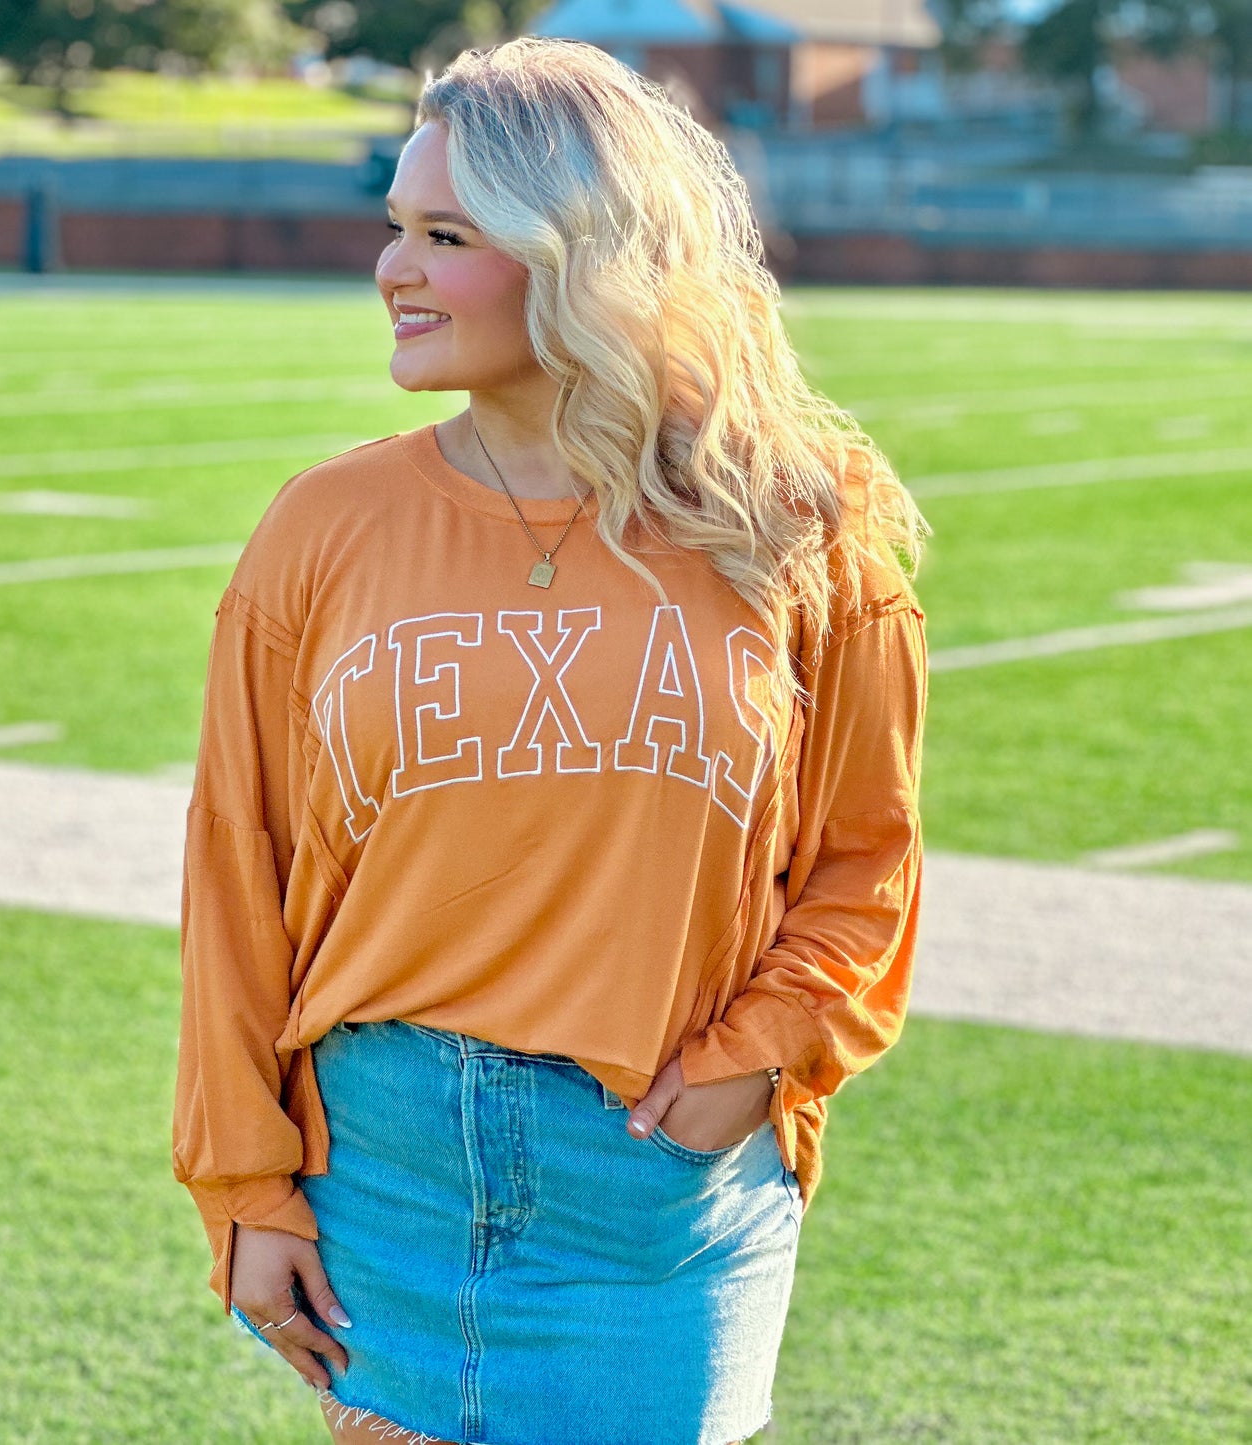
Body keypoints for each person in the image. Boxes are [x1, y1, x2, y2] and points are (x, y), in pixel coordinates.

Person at [173, 36, 928, 1445]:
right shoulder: (321, 529)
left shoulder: (796, 536)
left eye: (446, 235)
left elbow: (863, 865)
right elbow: (237, 869)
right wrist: (244, 1183)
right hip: (380, 1167)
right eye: (394, 227)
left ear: (578, 253)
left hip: (651, 1194)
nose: (393, 269)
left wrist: (745, 1064)